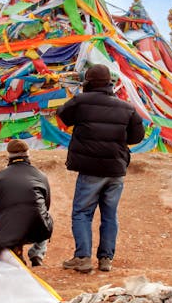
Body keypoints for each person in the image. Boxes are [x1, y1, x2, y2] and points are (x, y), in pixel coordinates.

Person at [56, 63, 144, 273]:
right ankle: (106, 259)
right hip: (115, 169)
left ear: (88, 82)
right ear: (110, 83)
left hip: (90, 170)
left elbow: (62, 115)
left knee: (82, 213)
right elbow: (137, 136)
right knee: (109, 215)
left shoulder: (81, 101)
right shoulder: (127, 107)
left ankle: (83, 257)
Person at [0, 139, 53, 266]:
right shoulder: (41, 175)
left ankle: (16, 252)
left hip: (10, 229)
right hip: (38, 227)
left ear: (9, 156)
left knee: (10, 220)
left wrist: (2, 212)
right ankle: (37, 254)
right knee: (44, 217)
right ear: (28, 154)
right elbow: (45, 205)